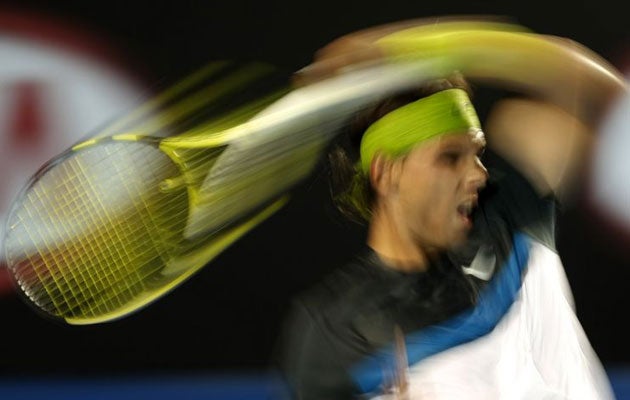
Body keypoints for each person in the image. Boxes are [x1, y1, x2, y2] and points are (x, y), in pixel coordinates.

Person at [273, 18, 627, 400]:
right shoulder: (335, 330)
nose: (478, 174)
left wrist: (411, 48)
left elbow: (607, 97)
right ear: (386, 173)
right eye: (450, 157)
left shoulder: (511, 209)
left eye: (478, 153)